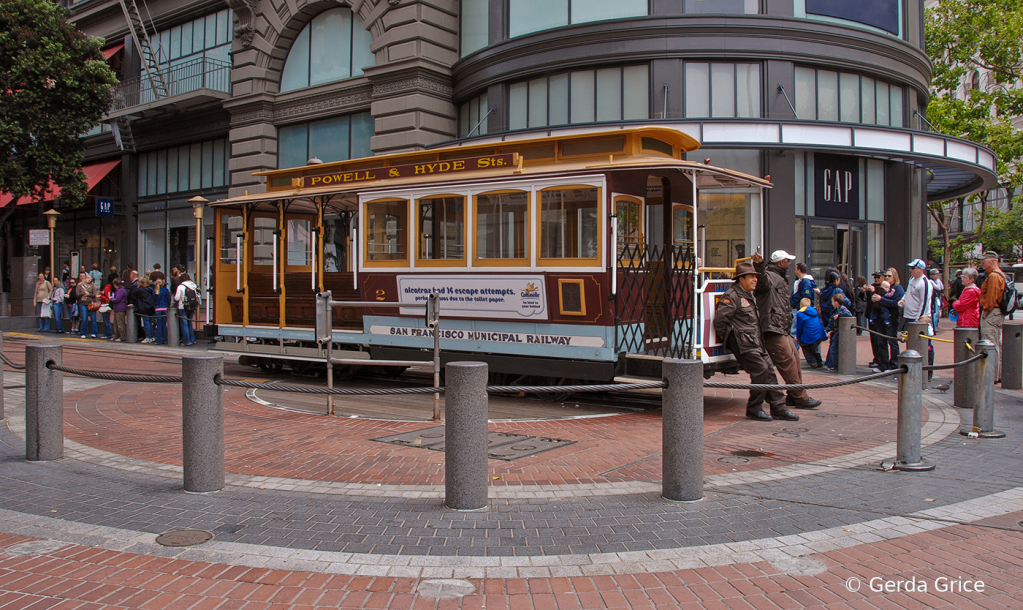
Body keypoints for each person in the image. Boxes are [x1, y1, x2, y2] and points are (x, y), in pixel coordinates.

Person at [713, 261, 799, 422]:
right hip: (744, 345)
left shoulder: (748, 296)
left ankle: (779, 408)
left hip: (756, 343)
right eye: (751, 277)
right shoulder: (732, 296)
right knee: (761, 370)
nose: (755, 280)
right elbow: (720, 322)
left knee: (769, 371)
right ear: (741, 279)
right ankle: (754, 408)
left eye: (755, 277)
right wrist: (732, 341)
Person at [752, 250, 821, 408]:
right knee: (788, 362)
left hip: (780, 327)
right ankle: (800, 396)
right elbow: (762, 280)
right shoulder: (770, 275)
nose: (790, 264)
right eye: (787, 261)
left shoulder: (778, 277)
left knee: (794, 361)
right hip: (773, 328)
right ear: (781, 262)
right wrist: (759, 265)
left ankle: (794, 394)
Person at [900, 259, 936, 377]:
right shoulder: (912, 279)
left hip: (919, 318)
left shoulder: (925, 283)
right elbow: (908, 292)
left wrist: (919, 319)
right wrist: (903, 300)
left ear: (920, 269)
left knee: (925, 345)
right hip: (909, 316)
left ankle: (926, 372)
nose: (910, 270)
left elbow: (925, 303)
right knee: (911, 344)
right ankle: (913, 368)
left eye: (913, 268)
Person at [979, 251, 1006, 382]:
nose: (982, 262)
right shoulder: (999, 275)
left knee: (990, 342)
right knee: (996, 343)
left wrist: (985, 312)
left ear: (993, 260)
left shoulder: (994, 276)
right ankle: (996, 374)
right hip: (995, 313)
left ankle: (992, 375)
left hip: (991, 313)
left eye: (984, 260)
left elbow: (990, 298)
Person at [861, 270, 887, 370]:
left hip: (879, 316)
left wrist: (874, 291)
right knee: (873, 338)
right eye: (875, 277)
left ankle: (880, 360)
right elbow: (863, 298)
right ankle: (876, 358)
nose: (876, 279)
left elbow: (882, 299)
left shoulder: (884, 288)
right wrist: (863, 291)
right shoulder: (871, 286)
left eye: (878, 277)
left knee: (879, 339)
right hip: (871, 315)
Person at [794, 297, 827, 368]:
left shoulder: (800, 314)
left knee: (805, 347)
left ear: (801, 306)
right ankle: (819, 361)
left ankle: (812, 362)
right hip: (819, 334)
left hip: (809, 336)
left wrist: (798, 337)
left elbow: (799, 327)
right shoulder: (814, 312)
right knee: (814, 348)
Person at [824, 294, 854, 372]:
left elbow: (848, 314)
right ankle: (831, 363)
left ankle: (835, 365)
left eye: (832, 301)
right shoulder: (834, 310)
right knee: (832, 347)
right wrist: (829, 330)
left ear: (836, 302)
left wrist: (839, 315)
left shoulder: (842, 310)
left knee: (834, 348)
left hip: (838, 332)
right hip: (834, 331)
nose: (831, 303)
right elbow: (831, 322)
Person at [174, 272, 199, 346]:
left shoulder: (181, 286)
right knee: (190, 323)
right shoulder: (194, 285)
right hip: (192, 306)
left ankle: (187, 341)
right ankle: (192, 339)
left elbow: (177, 298)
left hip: (183, 307)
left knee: (184, 324)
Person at [136, 277, 156, 343]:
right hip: (150, 307)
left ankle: (148, 337)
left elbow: (134, 295)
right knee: (149, 322)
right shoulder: (150, 290)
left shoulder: (140, 291)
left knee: (146, 322)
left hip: (144, 307)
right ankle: (152, 336)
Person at [153, 278, 170, 345]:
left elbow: (154, 301)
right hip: (164, 308)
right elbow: (168, 299)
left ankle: (159, 340)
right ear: (163, 284)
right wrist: (167, 306)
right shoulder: (166, 290)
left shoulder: (155, 291)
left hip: (158, 309)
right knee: (164, 325)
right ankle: (165, 339)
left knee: (159, 325)